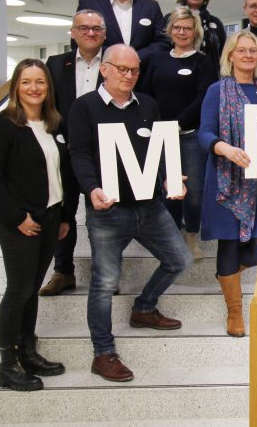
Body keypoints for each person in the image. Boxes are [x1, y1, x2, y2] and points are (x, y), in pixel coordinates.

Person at [69, 44, 193, 382]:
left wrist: (168, 174)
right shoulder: (84, 107)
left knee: (180, 260)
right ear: (104, 69)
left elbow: (160, 149)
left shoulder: (148, 105)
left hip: (149, 205)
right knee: (105, 282)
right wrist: (91, 188)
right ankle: (103, 352)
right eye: (122, 69)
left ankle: (144, 307)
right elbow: (79, 154)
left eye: (134, 70)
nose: (129, 75)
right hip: (108, 211)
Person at [0, 59, 72, 391]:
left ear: (49, 88)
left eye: (40, 82)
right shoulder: (0, 127)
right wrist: (18, 218)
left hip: (49, 218)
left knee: (32, 289)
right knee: (17, 291)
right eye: (26, 82)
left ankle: (28, 351)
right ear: (15, 87)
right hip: (19, 222)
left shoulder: (53, 124)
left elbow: (62, 175)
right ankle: (7, 365)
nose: (34, 88)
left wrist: (63, 216)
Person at [198, 29, 257, 337]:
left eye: (254, 51)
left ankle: (227, 274)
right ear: (230, 55)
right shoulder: (217, 91)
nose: (248, 55)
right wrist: (226, 149)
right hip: (228, 181)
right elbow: (204, 133)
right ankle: (234, 311)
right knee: (230, 243)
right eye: (242, 50)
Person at [140, 7, 218, 259]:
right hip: (161, 136)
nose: (182, 32)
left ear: (195, 31)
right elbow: (145, 94)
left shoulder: (203, 61)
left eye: (187, 27)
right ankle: (172, 239)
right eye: (177, 27)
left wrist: (178, 122)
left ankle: (192, 237)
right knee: (169, 191)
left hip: (190, 135)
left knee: (193, 192)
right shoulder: (157, 60)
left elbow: (203, 96)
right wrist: (156, 124)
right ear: (169, 30)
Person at [39, 9, 106, 296]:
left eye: (95, 28)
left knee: (101, 215)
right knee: (61, 212)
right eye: (84, 28)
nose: (90, 33)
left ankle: (105, 274)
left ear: (104, 33)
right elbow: (45, 103)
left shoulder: (115, 62)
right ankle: (63, 271)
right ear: (73, 32)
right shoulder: (55, 65)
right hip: (64, 151)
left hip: (103, 152)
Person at [163, 0, 226, 71]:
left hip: (209, 77)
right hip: (175, 74)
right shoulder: (169, 19)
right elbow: (162, 49)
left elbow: (224, 54)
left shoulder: (216, 23)